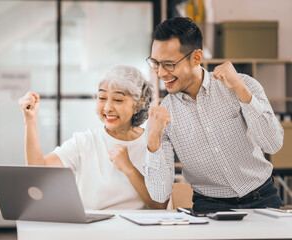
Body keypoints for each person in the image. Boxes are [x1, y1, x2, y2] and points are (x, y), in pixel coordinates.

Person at [144, 17, 284, 213]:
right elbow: (159, 194)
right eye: (156, 63)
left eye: (168, 64)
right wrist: (153, 139)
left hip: (262, 197)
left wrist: (241, 91)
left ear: (196, 57)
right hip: (210, 206)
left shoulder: (241, 85)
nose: (161, 73)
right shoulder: (163, 115)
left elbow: (273, 144)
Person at [19, 65, 168, 210]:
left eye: (117, 100)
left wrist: (129, 169)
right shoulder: (85, 141)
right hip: (93, 231)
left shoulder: (153, 144)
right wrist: (30, 120)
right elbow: (38, 169)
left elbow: (159, 206)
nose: (107, 108)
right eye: (102, 97)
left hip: (136, 232)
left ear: (138, 104)